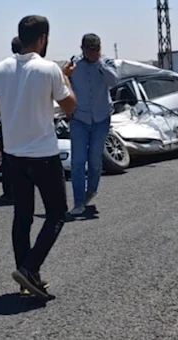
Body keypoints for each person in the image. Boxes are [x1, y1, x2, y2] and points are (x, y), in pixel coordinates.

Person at [0, 15, 76, 300]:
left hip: (13, 156)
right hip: (44, 155)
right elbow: (70, 106)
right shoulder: (49, 69)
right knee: (57, 213)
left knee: (22, 216)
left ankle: (26, 277)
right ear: (43, 38)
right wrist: (66, 77)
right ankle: (30, 267)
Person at [65, 33, 119, 217]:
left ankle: (92, 190)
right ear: (82, 49)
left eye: (96, 50)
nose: (92, 53)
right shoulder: (74, 64)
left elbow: (114, 81)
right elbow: (63, 83)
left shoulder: (107, 62)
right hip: (79, 119)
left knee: (95, 159)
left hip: (101, 119)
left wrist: (99, 64)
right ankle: (78, 202)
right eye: (89, 50)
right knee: (78, 161)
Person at [0, 36, 24, 206]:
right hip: (28, 121)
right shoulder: (35, 68)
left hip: (9, 123)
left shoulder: (1, 69)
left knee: (9, 159)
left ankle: (10, 193)